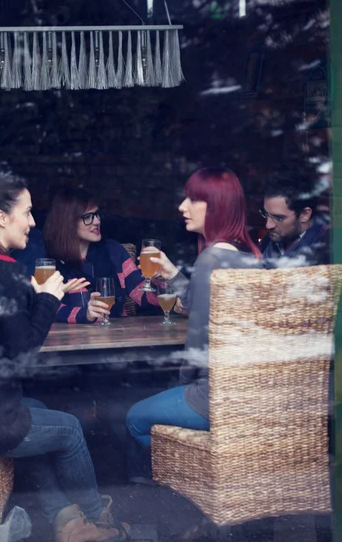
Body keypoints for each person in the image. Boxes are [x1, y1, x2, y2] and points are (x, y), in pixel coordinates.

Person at [0, 163, 129, 542]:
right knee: (70, 429)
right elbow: (22, 355)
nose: (31, 222)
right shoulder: (4, 271)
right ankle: (98, 523)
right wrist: (47, 298)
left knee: (39, 409)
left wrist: (27, 292)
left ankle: (64, 520)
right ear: (0, 217)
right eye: (26, 212)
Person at [126, 167, 261, 483]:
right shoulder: (250, 256)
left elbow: (198, 347)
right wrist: (174, 273)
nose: (181, 207)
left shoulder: (211, 259)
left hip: (212, 397)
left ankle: (179, 494)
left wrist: (179, 386)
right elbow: (204, 306)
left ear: (216, 206)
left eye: (193, 199)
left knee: (133, 418)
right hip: (248, 394)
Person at [43, 187, 159, 324]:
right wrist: (84, 314)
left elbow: (143, 297)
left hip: (118, 336)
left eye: (96, 214)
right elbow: (45, 307)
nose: (97, 221)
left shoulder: (114, 251)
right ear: (67, 222)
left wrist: (160, 281)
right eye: (87, 217)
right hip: (71, 342)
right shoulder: (50, 263)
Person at [259, 170, 330, 267]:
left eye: (278, 218)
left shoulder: (325, 251)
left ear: (305, 214)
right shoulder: (270, 239)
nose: (268, 225)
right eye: (266, 214)